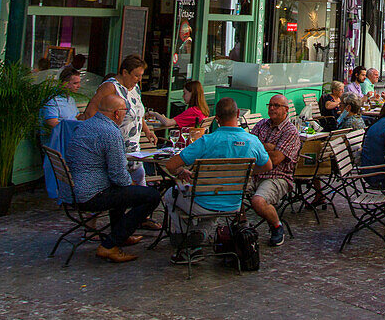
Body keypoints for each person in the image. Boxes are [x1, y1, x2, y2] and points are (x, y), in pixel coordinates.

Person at [161, 98, 271, 258]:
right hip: (234, 203)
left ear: (216, 118)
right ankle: (200, 234)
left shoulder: (207, 141)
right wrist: (244, 172)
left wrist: (180, 172)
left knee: (171, 194)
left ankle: (186, 241)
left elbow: (171, 165)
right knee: (211, 208)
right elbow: (268, 166)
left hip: (202, 202)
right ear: (238, 114)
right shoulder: (252, 141)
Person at [67, 93, 161, 263]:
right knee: (151, 196)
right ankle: (110, 244)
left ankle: (120, 236)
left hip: (77, 190)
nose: (126, 116)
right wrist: (133, 184)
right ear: (117, 113)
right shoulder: (110, 132)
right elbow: (118, 174)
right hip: (93, 195)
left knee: (123, 192)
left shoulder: (85, 125)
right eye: (125, 112)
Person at [84, 55, 156, 188]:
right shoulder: (110, 87)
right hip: (115, 150)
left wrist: (147, 131)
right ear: (124, 72)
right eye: (136, 75)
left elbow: (138, 113)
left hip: (134, 149)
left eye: (141, 75)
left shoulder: (134, 88)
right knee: (123, 189)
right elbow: (90, 112)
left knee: (140, 187)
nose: (139, 79)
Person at [249, 94, 302, 247]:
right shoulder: (261, 124)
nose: (272, 108)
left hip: (277, 176)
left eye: (276, 106)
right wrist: (268, 147)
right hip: (253, 173)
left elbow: (276, 160)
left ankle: (277, 226)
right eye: (270, 105)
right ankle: (242, 227)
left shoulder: (290, 131)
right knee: (230, 193)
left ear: (286, 110)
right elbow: (249, 148)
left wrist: (260, 147)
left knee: (258, 201)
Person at [41, 68, 82, 141]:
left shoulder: (71, 99)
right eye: (75, 83)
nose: (79, 86)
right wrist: (73, 129)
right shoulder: (52, 99)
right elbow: (52, 123)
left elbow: (77, 116)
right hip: (57, 142)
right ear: (64, 84)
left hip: (71, 139)